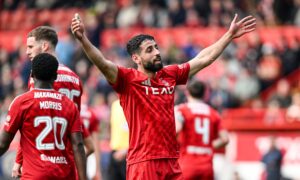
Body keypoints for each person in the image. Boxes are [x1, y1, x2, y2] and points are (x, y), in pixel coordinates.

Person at [71, 13, 256, 179]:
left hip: (171, 161)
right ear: (136, 58)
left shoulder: (169, 74)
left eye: (156, 47)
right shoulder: (127, 80)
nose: (157, 52)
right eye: (149, 50)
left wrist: (229, 36)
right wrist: (83, 39)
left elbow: (203, 59)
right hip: (143, 162)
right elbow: (102, 63)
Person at [12, 25, 94, 179]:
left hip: (43, 157)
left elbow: (32, 122)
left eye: (30, 46)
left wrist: (19, 160)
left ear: (44, 46)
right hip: (67, 157)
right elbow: (76, 125)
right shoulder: (75, 78)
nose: (27, 51)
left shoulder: (40, 77)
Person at [0, 53, 86, 180]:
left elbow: (3, 144)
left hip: (34, 176)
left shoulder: (22, 103)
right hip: (64, 175)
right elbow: (78, 144)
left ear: (32, 75)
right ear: (55, 76)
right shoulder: (69, 105)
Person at [174, 79, 229, 180]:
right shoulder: (213, 113)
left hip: (187, 163)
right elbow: (225, 139)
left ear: (187, 93)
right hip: (207, 167)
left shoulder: (181, 110)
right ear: (206, 94)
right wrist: (208, 145)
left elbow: (177, 129)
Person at [108, 99, 129, 180]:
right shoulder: (114, 105)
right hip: (114, 152)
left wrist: (126, 151)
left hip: (129, 153)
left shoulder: (134, 104)